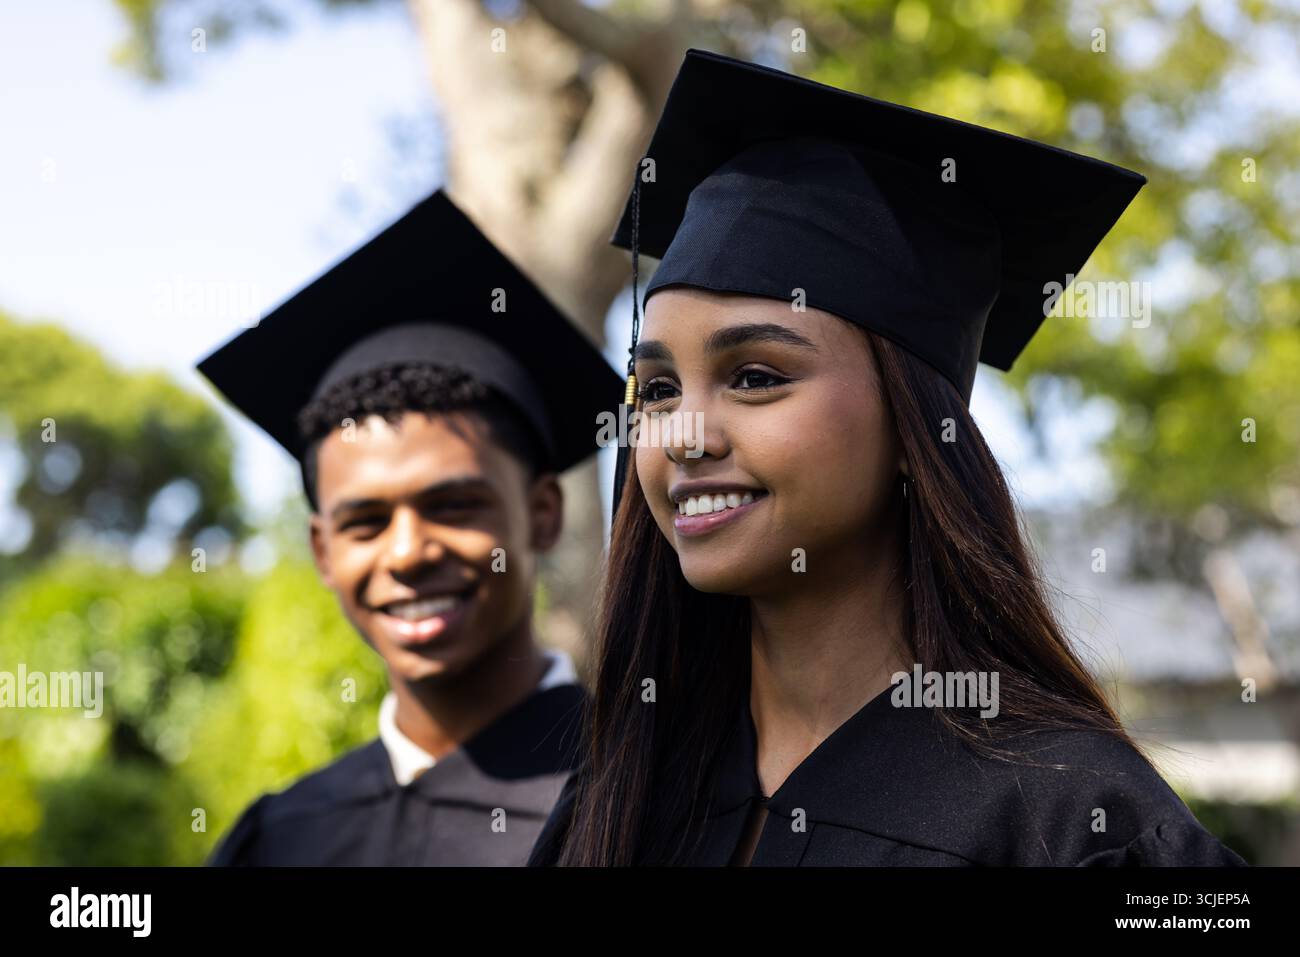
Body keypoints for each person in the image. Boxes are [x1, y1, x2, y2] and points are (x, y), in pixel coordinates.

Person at [529, 50, 1249, 866]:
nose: (684, 434)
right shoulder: (622, 788)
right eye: (657, 389)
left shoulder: (1076, 822)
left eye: (757, 376)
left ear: (915, 431)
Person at [197, 189, 621, 865]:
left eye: (453, 505)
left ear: (544, 513)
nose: (408, 552)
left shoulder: (649, 805)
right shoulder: (280, 837)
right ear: (323, 550)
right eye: (364, 521)